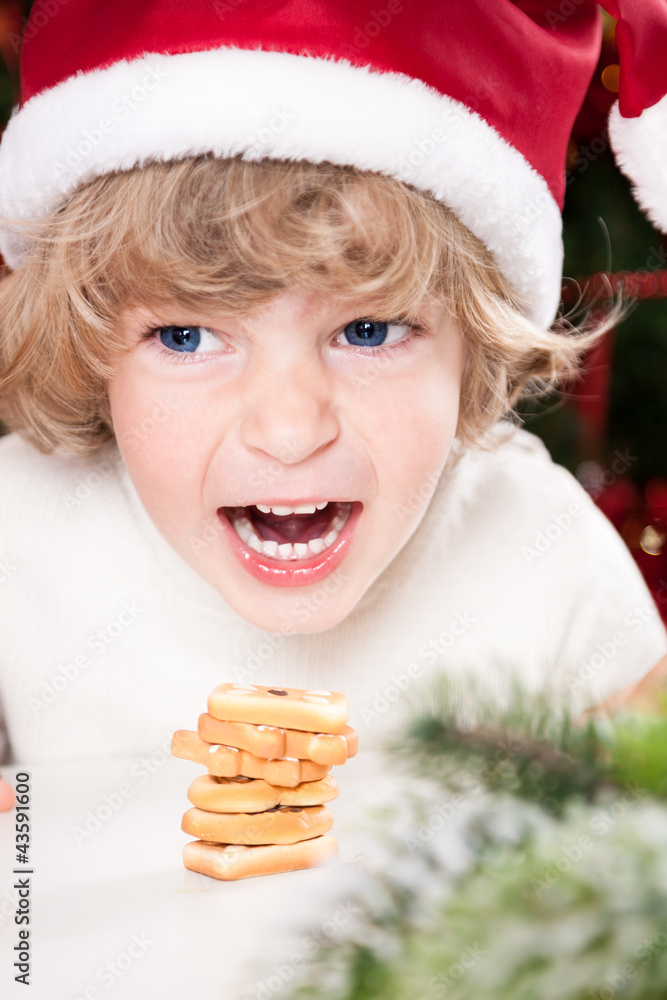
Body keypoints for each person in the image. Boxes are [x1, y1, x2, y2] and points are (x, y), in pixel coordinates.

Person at [1, 0, 667, 812]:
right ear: (89, 348)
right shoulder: (18, 533)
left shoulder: (544, 554)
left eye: (368, 328)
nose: (288, 432)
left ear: (474, 350)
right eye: (184, 336)